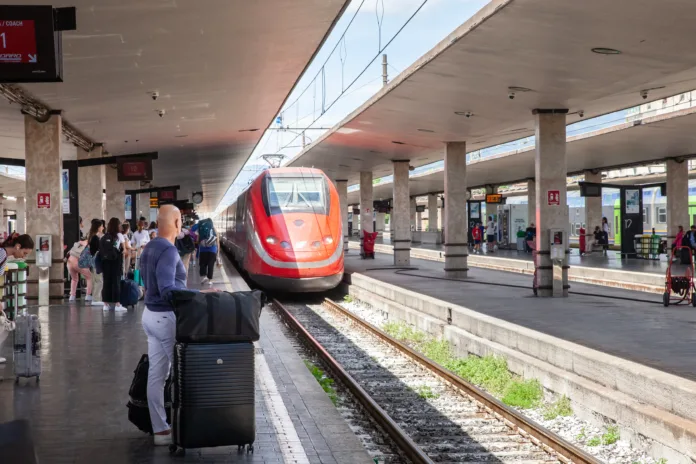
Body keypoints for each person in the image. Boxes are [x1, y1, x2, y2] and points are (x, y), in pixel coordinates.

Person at [140, 205, 219, 446]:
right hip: (165, 318)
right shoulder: (168, 251)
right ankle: (193, 427)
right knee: (187, 373)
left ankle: (161, 430)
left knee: (157, 375)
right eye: (181, 220)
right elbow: (168, 290)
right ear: (176, 222)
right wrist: (202, 293)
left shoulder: (150, 247)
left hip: (149, 315)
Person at [0, 234, 34, 364]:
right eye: (24, 252)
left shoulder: (3, 254)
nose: (24, 256)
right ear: (18, 246)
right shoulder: (2, 254)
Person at [100, 217, 126, 311]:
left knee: (106, 282)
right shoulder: (119, 236)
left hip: (105, 263)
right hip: (116, 262)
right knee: (116, 282)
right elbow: (124, 250)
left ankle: (105, 304)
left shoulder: (104, 237)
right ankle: (117, 304)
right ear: (117, 226)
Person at [191, 219, 220, 285]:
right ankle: (209, 280)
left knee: (203, 263)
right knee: (211, 264)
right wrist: (218, 254)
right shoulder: (214, 229)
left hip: (203, 249)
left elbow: (198, 240)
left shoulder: (200, 229)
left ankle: (204, 276)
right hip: (213, 249)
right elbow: (217, 242)